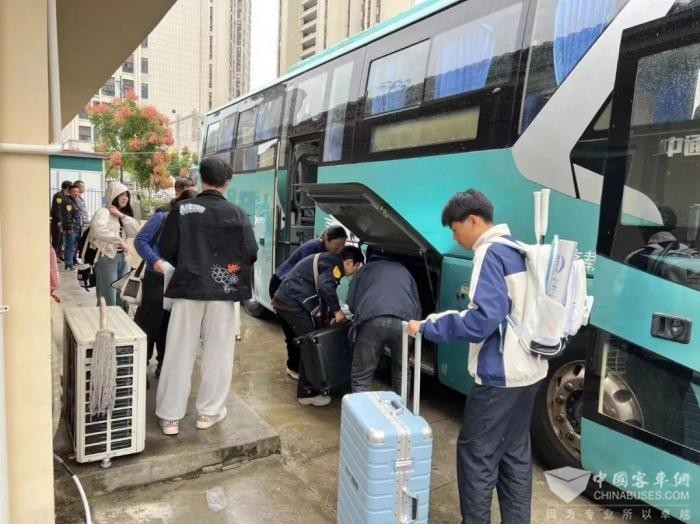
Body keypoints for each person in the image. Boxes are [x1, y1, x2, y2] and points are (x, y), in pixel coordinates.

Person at [407, 189, 546, 524]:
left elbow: (483, 320)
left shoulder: (490, 251)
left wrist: (427, 326)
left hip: (500, 376)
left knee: (476, 456)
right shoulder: (520, 250)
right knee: (514, 456)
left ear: (472, 220)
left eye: (455, 229)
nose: (455, 238)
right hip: (530, 372)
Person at [156, 157, 258, 436]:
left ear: (201, 178)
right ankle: (208, 413)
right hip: (222, 292)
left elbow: (166, 249)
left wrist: (190, 263)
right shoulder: (238, 213)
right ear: (228, 182)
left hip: (188, 287)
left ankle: (170, 418)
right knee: (218, 354)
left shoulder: (182, 209)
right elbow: (250, 252)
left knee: (178, 350)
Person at [272, 245, 364, 407]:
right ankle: (307, 393)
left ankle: (308, 379)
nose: (355, 271)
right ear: (349, 262)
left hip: (289, 299)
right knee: (311, 344)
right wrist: (337, 312)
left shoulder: (331, 260)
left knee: (309, 341)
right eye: (356, 266)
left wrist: (331, 313)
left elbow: (323, 290)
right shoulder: (334, 266)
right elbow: (325, 286)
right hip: (291, 303)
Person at [269, 226, 348, 380]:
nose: (340, 250)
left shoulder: (327, 252)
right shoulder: (313, 248)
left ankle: (302, 367)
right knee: (294, 332)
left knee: (303, 330)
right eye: (337, 245)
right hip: (282, 285)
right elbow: (308, 279)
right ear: (327, 240)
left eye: (343, 246)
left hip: (293, 290)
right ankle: (294, 367)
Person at [134, 188, 198, 378]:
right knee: (148, 324)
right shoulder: (162, 216)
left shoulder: (193, 221)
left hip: (177, 280)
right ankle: (140, 367)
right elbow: (140, 240)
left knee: (169, 326)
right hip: (156, 278)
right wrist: (156, 261)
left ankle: (163, 366)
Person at [347, 258, 421, 393]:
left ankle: (361, 406)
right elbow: (416, 304)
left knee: (361, 376)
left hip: (372, 318)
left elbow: (351, 302)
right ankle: (401, 405)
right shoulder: (404, 271)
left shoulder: (365, 270)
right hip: (403, 322)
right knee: (401, 370)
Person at [90, 182, 140, 309]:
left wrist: (120, 215)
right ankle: (107, 320)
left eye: (127, 195)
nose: (125, 198)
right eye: (121, 195)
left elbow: (136, 230)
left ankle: (121, 319)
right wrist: (119, 241)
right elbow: (98, 230)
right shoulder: (103, 212)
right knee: (108, 296)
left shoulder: (122, 215)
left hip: (123, 258)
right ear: (113, 195)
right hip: (107, 257)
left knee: (122, 294)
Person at [61, 184, 83, 271]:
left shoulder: (74, 201)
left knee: (73, 247)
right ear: (69, 192)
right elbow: (67, 216)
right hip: (71, 229)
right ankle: (69, 264)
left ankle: (71, 263)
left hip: (76, 228)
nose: (76, 193)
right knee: (70, 247)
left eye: (77, 192)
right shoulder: (68, 202)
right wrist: (69, 228)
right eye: (74, 192)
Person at [50, 180, 72, 261]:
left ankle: (59, 255)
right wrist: (59, 220)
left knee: (61, 239)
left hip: (63, 221)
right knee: (57, 239)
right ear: (67, 187)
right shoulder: (58, 196)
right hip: (57, 222)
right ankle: (54, 257)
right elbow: (57, 208)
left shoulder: (66, 196)